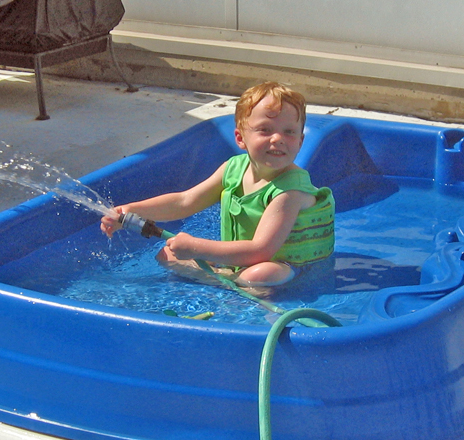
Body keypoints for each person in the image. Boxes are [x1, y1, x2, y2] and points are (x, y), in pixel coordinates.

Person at [100, 81, 335, 287]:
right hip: (244, 260)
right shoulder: (233, 169)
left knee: (263, 274)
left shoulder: (290, 191)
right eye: (265, 130)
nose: (278, 139)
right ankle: (228, 279)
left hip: (289, 266)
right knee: (167, 254)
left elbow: (262, 250)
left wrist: (196, 247)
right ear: (240, 138)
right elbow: (185, 201)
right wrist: (132, 211)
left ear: (301, 141)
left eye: (289, 132)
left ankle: (224, 280)